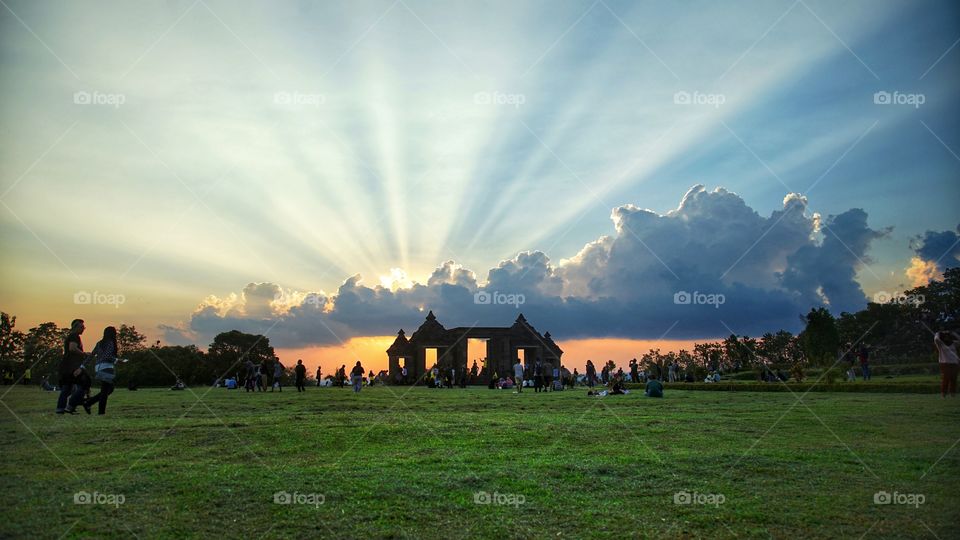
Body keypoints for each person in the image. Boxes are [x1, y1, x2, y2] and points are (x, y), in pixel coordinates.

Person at [82, 326, 118, 415]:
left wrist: (83, 365)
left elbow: (92, 354)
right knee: (106, 390)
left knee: (109, 388)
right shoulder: (110, 343)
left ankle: (89, 403)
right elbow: (107, 356)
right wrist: (117, 360)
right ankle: (100, 412)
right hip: (107, 367)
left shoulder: (100, 343)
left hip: (98, 367)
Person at [56, 319, 88, 414]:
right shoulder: (74, 336)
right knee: (82, 386)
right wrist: (84, 354)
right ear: (76, 327)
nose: (83, 329)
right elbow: (72, 348)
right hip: (71, 367)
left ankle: (62, 408)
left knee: (68, 388)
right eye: (82, 327)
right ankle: (69, 406)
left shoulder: (72, 336)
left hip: (67, 366)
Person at [934, 330, 959, 398]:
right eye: (945, 336)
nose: (946, 338)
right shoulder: (940, 344)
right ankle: (943, 394)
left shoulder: (954, 343)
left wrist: (954, 333)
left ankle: (952, 394)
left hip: (954, 363)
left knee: (954, 379)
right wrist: (938, 333)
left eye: (948, 336)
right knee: (946, 378)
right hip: (945, 363)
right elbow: (936, 339)